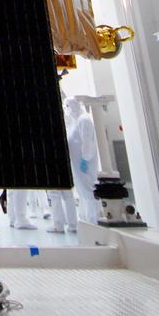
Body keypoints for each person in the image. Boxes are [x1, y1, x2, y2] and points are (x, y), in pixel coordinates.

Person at [64, 94, 100, 224]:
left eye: (68, 106)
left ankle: (94, 221)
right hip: (77, 164)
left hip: (85, 164)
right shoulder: (76, 121)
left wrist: (85, 159)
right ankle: (86, 220)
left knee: (89, 192)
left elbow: (87, 142)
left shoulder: (84, 120)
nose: (67, 109)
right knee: (83, 192)